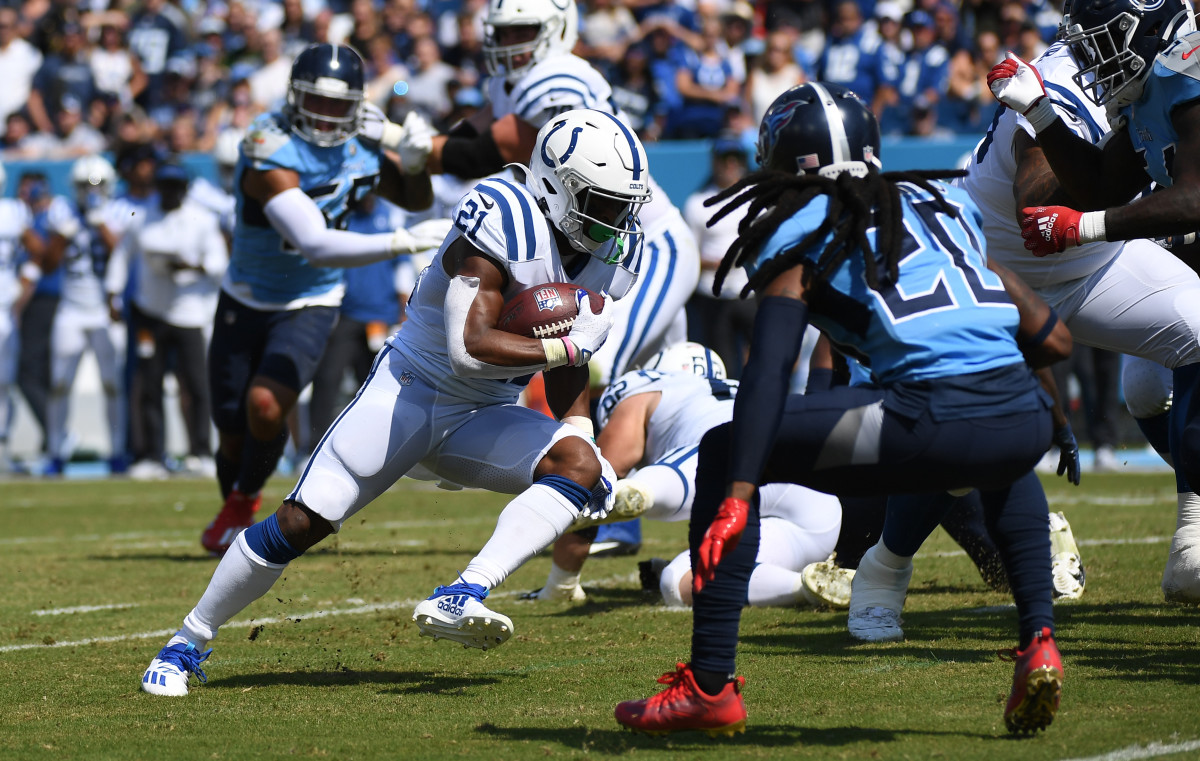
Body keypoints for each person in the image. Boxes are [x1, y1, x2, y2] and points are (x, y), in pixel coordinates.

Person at [615, 83, 1071, 737]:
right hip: (1017, 415)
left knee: (722, 448)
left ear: (785, 162)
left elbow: (769, 370)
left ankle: (709, 684)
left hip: (928, 419)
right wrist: (1053, 419)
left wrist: (740, 490)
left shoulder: (800, 223)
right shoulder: (942, 201)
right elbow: (1051, 337)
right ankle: (1039, 638)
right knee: (999, 450)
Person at [140, 108, 647, 697]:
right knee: (304, 519)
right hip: (413, 390)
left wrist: (580, 424)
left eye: (620, 205)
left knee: (579, 468)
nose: (615, 221)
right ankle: (187, 640)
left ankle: (463, 593)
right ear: (558, 185)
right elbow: (470, 348)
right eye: (602, 202)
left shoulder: (612, 248)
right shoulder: (503, 214)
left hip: (484, 413)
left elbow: (568, 350)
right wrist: (565, 348)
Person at [196, 43, 450, 557]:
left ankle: (244, 502)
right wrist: (400, 242)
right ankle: (239, 501)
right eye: (318, 101)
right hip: (246, 295)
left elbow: (415, 196)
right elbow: (313, 240)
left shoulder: (362, 138)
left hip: (312, 296)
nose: (328, 115)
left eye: (339, 105)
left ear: (356, 103)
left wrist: (417, 159)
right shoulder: (269, 143)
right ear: (294, 97)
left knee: (266, 405)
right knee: (230, 430)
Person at [983, 0, 1200, 601]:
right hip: (1039, 271)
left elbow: (1193, 199)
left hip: (1102, 260)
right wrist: (1042, 113)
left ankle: (1195, 533)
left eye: (1100, 42)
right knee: (1144, 389)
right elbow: (1103, 184)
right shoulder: (1148, 86)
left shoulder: (1189, 74)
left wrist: (1084, 228)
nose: (1092, 58)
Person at [407, 0, 700, 392]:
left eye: (522, 30)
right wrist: (405, 145)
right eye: (504, 31)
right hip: (589, 249)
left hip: (638, 250)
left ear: (557, 28)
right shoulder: (512, 83)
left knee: (606, 371)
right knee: (644, 383)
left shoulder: (560, 77)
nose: (509, 41)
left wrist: (415, 150)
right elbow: (466, 138)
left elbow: (481, 153)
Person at [526, 342, 842, 606]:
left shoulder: (646, 389)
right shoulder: (736, 388)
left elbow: (598, 476)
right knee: (677, 581)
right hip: (814, 496)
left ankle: (645, 490)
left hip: (727, 458)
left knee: (678, 468)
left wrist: (561, 582)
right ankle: (808, 586)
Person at [104, 161, 226, 478]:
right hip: (150, 312)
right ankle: (151, 455)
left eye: (174, 187)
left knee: (197, 383)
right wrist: (113, 293)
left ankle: (200, 451)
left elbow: (218, 263)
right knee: (149, 383)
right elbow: (122, 256)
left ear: (184, 189)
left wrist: (192, 266)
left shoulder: (202, 219)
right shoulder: (141, 218)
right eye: (164, 187)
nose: (168, 193)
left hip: (188, 312)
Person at [43, 156, 128, 475]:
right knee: (59, 382)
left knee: (112, 383)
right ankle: (55, 451)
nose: (91, 192)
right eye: (84, 186)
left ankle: (117, 451)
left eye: (96, 185)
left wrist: (98, 222)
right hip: (71, 309)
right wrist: (62, 236)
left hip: (106, 311)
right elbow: (48, 264)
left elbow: (120, 251)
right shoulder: (61, 211)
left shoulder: (119, 210)